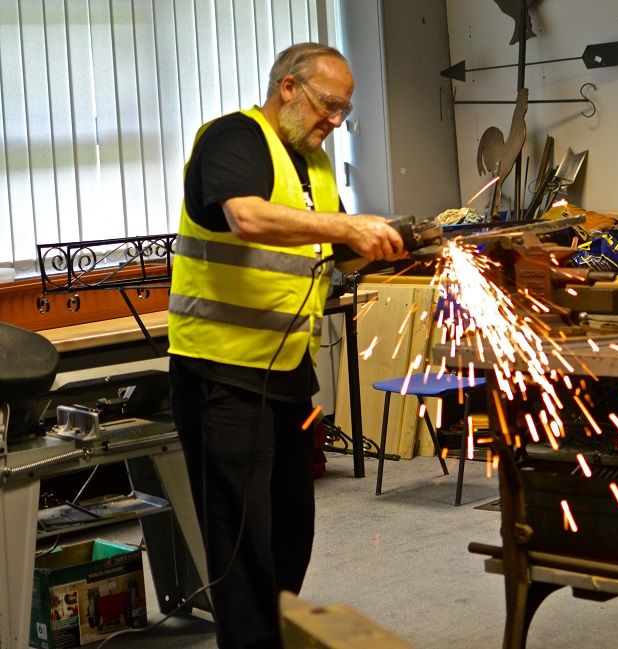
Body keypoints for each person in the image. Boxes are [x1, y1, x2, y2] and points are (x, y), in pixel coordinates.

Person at [167, 43, 403, 649]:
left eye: (344, 111)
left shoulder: (316, 165)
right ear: (289, 89)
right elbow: (246, 217)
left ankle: (278, 635)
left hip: (287, 369)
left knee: (292, 527)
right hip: (222, 371)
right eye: (329, 105)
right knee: (242, 539)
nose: (335, 121)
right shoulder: (232, 139)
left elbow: (335, 244)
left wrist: (410, 241)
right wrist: (348, 227)